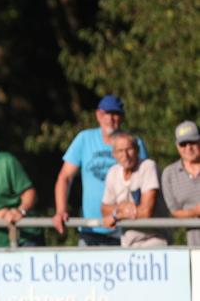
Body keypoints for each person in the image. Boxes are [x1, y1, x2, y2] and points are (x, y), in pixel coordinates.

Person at [53, 95, 147, 245]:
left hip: (126, 230)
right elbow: (65, 177)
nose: (110, 119)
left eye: (115, 114)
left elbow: (146, 183)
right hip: (90, 229)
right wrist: (61, 210)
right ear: (98, 115)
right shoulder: (84, 139)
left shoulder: (134, 143)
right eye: (106, 113)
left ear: (122, 117)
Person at [101, 130, 168, 247]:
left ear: (137, 150)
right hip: (127, 242)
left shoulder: (147, 166)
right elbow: (104, 209)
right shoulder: (113, 172)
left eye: (129, 149)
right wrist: (121, 207)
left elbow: (146, 211)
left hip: (155, 239)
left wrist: (117, 215)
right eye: (120, 151)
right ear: (114, 154)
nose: (125, 155)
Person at [162, 121, 200, 246]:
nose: (188, 147)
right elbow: (171, 212)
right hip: (189, 243)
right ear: (177, 146)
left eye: (193, 142)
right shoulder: (169, 174)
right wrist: (195, 212)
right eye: (183, 144)